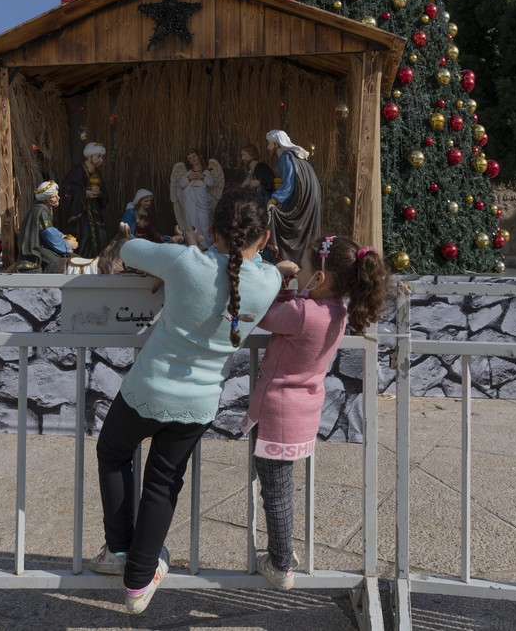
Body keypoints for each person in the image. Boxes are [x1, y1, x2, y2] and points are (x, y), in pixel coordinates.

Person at [90, 186, 282, 614]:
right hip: (198, 403)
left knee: (113, 452)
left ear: (211, 228)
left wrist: (189, 244)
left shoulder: (184, 262)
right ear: (265, 239)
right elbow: (260, 268)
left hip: (148, 387)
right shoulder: (270, 282)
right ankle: (138, 582)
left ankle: (119, 550)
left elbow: (132, 248)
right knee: (163, 483)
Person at [242, 235, 390, 590]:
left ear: (320, 279)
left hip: (276, 412)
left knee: (274, 492)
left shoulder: (302, 312)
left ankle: (279, 563)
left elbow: (262, 314)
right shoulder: (336, 312)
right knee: (282, 487)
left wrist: (277, 279)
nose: (301, 273)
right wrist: (296, 287)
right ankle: (285, 551)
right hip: (303, 414)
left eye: (306, 269)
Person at [265, 130, 322, 266]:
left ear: (277, 145)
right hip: (308, 202)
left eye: (269, 144)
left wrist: (272, 201)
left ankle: (278, 259)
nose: (268, 147)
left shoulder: (285, 158)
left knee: (274, 218)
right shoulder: (294, 157)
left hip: (299, 203)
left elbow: (288, 185)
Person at [14, 180, 78, 273]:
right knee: (68, 263)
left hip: (44, 247)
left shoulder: (40, 209)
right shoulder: (41, 212)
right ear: (46, 199)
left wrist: (63, 236)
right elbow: (50, 236)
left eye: (57, 195)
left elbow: (50, 230)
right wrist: (68, 244)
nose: (58, 198)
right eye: (54, 196)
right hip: (38, 251)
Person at [63, 142, 110, 258]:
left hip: (95, 214)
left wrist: (99, 193)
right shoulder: (77, 171)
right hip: (81, 213)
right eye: (98, 157)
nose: (101, 160)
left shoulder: (97, 173)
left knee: (102, 234)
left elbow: (104, 193)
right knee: (85, 235)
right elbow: (68, 189)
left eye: (101, 157)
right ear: (89, 157)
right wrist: (85, 193)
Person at [170, 150, 224, 247]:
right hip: (189, 201)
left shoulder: (206, 172)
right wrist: (190, 178)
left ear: (199, 156)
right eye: (190, 158)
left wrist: (201, 176)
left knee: (204, 224)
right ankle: (193, 244)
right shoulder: (188, 173)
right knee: (191, 223)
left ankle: (206, 245)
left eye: (194, 156)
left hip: (203, 200)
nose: (193, 159)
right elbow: (181, 185)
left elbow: (211, 183)